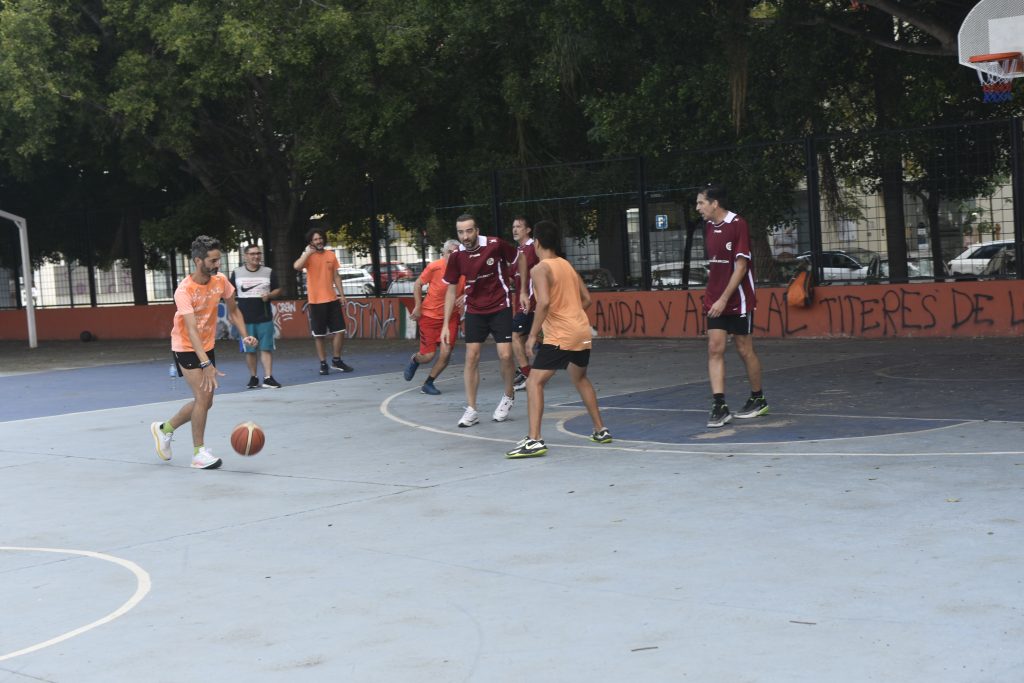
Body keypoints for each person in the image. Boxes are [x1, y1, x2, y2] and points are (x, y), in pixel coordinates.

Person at [150, 235, 258, 470]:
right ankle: (198, 453)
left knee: (206, 401)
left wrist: (244, 334)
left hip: (206, 346)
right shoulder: (184, 290)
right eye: (213, 260)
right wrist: (206, 364)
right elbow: (191, 330)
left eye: (219, 260)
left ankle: (164, 429)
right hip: (185, 346)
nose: (218, 264)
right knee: (202, 397)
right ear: (198, 261)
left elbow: (234, 311)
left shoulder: (221, 281)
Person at [506, 220, 611, 458]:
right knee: (580, 378)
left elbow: (543, 302)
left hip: (561, 335)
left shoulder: (540, 269)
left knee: (534, 383)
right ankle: (600, 430)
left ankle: (534, 440)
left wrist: (533, 335)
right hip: (581, 331)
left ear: (537, 243)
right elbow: (587, 299)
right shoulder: (566, 265)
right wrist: (570, 315)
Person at [696, 183, 768, 428]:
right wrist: (715, 297)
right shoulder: (708, 226)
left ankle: (758, 398)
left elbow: (741, 267)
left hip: (738, 299)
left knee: (744, 349)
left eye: (701, 203)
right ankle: (720, 405)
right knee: (714, 348)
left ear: (714, 203)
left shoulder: (738, 224)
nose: (698, 208)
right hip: (714, 298)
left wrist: (724, 299)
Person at [440, 214, 518, 428]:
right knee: (471, 357)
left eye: (469, 231)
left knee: (505, 355)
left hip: (500, 305)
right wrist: (446, 324)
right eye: (460, 232)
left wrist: (522, 290)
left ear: (477, 230)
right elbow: (451, 290)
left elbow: (518, 260)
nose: (465, 236)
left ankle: (508, 395)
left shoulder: (495, 244)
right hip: (475, 309)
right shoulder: (457, 256)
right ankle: (472, 409)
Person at [403, 239, 465, 394]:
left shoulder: (465, 269)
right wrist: (418, 305)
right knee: (428, 356)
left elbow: (474, 286)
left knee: (446, 353)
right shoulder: (435, 267)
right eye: (450, 252)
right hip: (430, 317)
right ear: (443, 253)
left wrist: (466, 296)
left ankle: (428, 383)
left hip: (450, 318)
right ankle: (415, 359)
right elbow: (418, 284)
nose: (453, 255)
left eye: (457, 252)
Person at [293, 228, 353, 375]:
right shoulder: (308, 256)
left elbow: (336, 276)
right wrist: (307, 253)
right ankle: (323, 363)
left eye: (320, 238)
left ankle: (337, 360)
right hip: (316, 302)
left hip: (332, 299)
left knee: (340, 331)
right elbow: (297, 266)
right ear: (311, 242)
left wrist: (342, 295)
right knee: (319, 335)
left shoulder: (331, 255)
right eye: (315, 239)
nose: (318, 241)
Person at [230, 244, 283, 388]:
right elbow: (230, 294)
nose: (256, 256)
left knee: (266, 348)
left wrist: (270, 295)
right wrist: (231, 313)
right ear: (245, 256)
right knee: (250, 350)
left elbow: (278, 289)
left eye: (258, 253)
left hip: (264, 317)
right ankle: (253, 377)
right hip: (244, 319)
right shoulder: (237, 273)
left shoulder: (268, 271)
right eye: (252, 254)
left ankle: (268, 378)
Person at [510, 216, 539, 392]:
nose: (515, 229)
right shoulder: (517, 251)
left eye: (519, 226)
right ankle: (525, 371)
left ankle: (528, 375)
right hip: (519, 302)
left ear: (528, 230)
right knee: (520, 338)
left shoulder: (533, 248)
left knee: (514, 336)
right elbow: (512, 275)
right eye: (513, 226)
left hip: (530, 302)